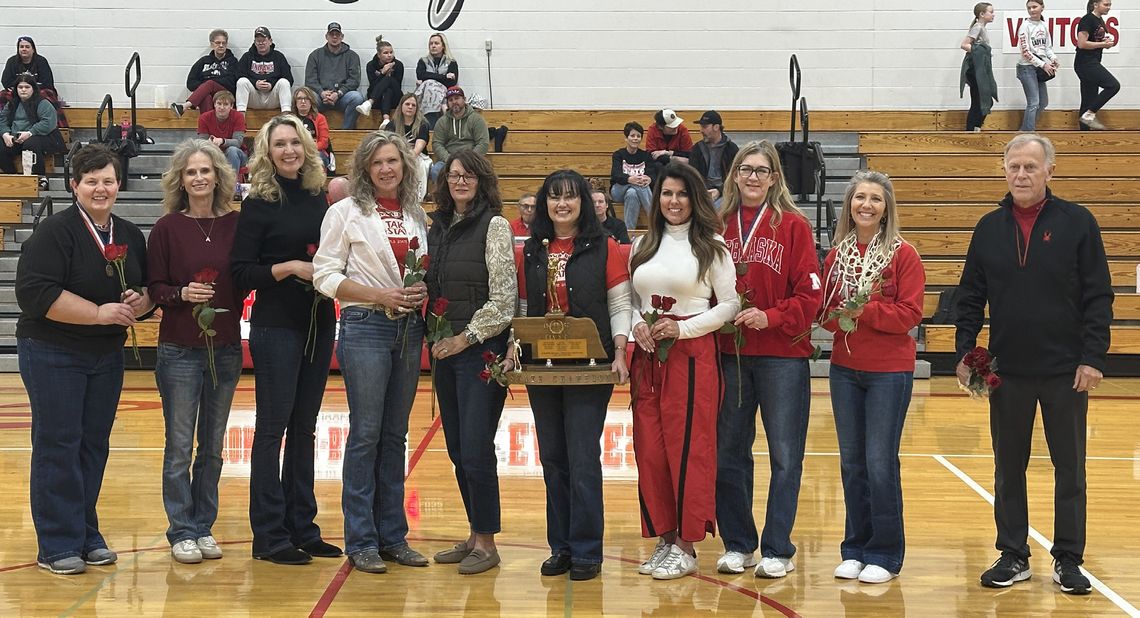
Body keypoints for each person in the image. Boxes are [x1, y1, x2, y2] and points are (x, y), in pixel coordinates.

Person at [956, 133, 1112, 596]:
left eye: (1030, 167)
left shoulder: (1078, 223)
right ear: (1004, 171)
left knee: (1070, 468)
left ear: (1049, 171)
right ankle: (1013, 554)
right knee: (1008, 467)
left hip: (1067, 370)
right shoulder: (988, 227)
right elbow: (969, 297)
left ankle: (1068, 558)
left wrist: (1093, 357)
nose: (1021, 175)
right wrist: (966, 351)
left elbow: (1098, 296)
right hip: (1007, 372)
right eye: (1013, 167)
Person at [15, 144, 153, 575]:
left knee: (93, 445)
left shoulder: (129, 234)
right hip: (53, 350)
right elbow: (35, 295)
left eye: (107, 180)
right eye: (91, 180)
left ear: (119, 185)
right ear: (74, 185)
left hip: (105, 353)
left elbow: (148, 292)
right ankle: (56, 543)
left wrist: (140, 300)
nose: (100, 188)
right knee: (59, 443)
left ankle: (85, 530)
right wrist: (97, 313)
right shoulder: (54, 232)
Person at [313, 132, 430, 574]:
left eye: (393, 161)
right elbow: (325, 275)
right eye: (377, 162)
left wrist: (419, 291)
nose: (386, 169)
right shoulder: (344, 212)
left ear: (405, 166)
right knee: (365, 434)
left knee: (395, 435)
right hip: (365, 325)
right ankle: (361, 539)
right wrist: (379, 295)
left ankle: (392, 536)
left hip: (408, 328)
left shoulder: (417, 215)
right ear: (364, 169)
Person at [231, 114, 341, 565]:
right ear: (267, 152)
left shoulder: (321, 196)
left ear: (307, 146)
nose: (289, 150)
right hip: (276, 325)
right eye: (279, 144)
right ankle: (270, 535)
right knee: (272, 429)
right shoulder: (259, 202)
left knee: (305, 428)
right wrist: (290, 268)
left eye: (295, 142)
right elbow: (240, 272)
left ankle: (303, 526)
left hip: (319, 321)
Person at [514, 169, 631, 581]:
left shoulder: (607, 248)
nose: (561, 204)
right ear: (544, 203)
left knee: (582, 458)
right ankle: (559, 546)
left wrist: (620, 351)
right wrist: (517, 351)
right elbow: (526, 308)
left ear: (583, 201)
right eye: (553, 197)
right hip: (541, 366)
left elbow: (619, 305)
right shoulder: (530, 251)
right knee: (552, 458)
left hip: (591, 367)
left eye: (570, 197)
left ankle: (586, 550)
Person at [714, 140, 822, 579]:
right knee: (729, 454)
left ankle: (778, 548)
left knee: (784, 456)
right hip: (730, 355)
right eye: (746, 169)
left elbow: (810, 295)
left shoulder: (794, 227)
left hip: (782, 357)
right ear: (735, 175)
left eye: (762, 170)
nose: (753, 177)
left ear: (775, 178)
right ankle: (738, 543)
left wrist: (772, 316)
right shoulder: (717, 224)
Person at [629, 162, 739, 580]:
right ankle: (665, 536)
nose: (673, 202)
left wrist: (683, 328)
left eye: (681, 194)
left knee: (688, 450)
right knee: (651, 452)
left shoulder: (712, 247)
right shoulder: (644, 243)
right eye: (666, 194)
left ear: (694, 198)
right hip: (647, 359)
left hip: (692, 359)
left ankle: (688, 545)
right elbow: (632, 299)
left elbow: (730, 306)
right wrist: (639, 322)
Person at [819, 171, 925, 584]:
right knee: (851, 462)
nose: (866, 205)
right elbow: (827, 317)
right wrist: (833, 314)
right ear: (849, 205)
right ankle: (855, 548)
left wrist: (865, 311)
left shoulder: (904, 255)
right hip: (845, 370)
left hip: (889, 372)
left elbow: (910, 316)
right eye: (859, 197)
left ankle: (885, 553)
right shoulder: (836, 256)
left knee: (879, 462)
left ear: (886, 208)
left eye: (875, 199)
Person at [148, 139, 243, 564]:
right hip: (179, 349)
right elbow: (155, 289)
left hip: (224, 347)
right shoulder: (167, 227)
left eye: (206, 170)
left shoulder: (236, 224)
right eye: (191, 172)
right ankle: (180, 529)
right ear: (180, 180)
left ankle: (204, 525)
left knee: (214, 445)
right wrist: (182, 293)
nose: (199, 178)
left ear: (219, 176)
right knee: (179, 445)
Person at [425, 150, 516, 575]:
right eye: (453, 175)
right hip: (445, 352)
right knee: (459, 448)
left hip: (480, 352)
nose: (459, 182)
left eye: (468, 176)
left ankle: (489, 541)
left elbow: (503, 300)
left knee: (477, 448)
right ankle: (474, 534)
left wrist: (465, 338)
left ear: (481, 181)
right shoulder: (438, 226)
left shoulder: (494, 226)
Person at [0, 73, 64, 182]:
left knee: (31, 143)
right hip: (16, 137)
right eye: (20, 87)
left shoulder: (43, 103)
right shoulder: (11, 104)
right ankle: (11, 176)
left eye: (27, 87)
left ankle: (40, 178)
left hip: (43, 137)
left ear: (33, 88)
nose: (23, 90)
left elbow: (48, 123)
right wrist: (5, 134)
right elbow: (2, 119)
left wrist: (30, 133)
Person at [305, 22, 365, 130]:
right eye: (331, 34)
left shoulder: (352, 56)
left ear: (342, 37)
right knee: (306, 98)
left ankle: (346, 132)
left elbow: (354, 80)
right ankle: (312, 132)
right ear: (326, 36)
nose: (334, 37)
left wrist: (338, 93)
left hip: (342, 96)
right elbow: (310, 80)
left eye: (337, 34)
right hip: (321, 97)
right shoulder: (315, 55)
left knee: (357, 98)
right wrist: (321, 92)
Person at [172, 29, 239, 118]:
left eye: (224, 43)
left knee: (210, 83)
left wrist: (209, 82)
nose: (221, 45)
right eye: (218, 43)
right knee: (205, 97)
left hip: (225, 94)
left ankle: (185, 106)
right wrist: (205, 88)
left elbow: (231, 82)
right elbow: (190, 83)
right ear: (212, 44)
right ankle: (210, 128)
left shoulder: (233, 61)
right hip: (208, 95)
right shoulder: (203, 61)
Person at [1075, 0, 1120, 130]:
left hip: (1092, 61)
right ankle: (1089, 115)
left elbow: (1094, 40)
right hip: (1085, 63)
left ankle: (1083, 137)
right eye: (1105, 4)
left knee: (1088, 99)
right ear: (1095, 4)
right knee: (1113, 86)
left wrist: (1105, 42)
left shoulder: (1100, 20)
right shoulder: (1087, 19)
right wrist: (1103, 44)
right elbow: (1082, 44)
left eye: (1110, 5)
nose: (1108, 7)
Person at [1016, 0, 1059, 132]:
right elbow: (1025, 51)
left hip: (1039, 67)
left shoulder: (1044, 25)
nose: (1032, 10)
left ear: (1042, 7)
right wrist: (1043, 64)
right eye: (1029, 8)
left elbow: (1047, 47)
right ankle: (1028, 132)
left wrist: (1053, 58)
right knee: (1033, 102)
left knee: (1043, 102)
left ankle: (1025, 129)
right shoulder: (1025, 26)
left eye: (1035, 7)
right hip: (1026, 68)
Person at [429, 87, 489, 182]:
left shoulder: (476, 119)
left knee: (485, 172)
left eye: (457, 98)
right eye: (450, 100)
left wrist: (468, 160)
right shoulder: (442, 122)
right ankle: (444, 197)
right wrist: (450, 160)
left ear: (464, 99)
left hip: (472, 160)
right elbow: (437, 144)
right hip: (448, 160)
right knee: (436, 170)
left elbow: (483, 143)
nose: (454, 102)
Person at [610, 121, 657, 231]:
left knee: (632, 194)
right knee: (640, 184)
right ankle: (655, 219)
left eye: (638, 136)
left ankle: (629, 232)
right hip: (618, 190)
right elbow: (616, 175)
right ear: (626, 138)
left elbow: (652, 175)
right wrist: (630, 179)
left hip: (635, 191)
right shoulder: (618, 154)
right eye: (632, 135)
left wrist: (649, 179)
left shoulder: (646, 155)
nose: (635, 138)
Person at [235, 27, 294, 114]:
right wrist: (255, 83)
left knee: (284, 82)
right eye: (258, 40)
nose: (261, 43)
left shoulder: (279, 57)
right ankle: (240, 118)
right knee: (241, 81)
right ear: (255, 42)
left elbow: (289, 79)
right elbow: (237, 76)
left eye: (263, 40)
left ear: (270, 41)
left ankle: (286, 117)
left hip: (272, 97)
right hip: (254, 97)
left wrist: (271, 84)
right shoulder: (247, 57)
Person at [689, 111, 739, 208]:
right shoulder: (697, 149)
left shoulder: (731, 149)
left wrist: (720, 191)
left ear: (716, 127)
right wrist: (704, 191)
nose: (701, 131)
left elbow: (735, 176)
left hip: (726, 192)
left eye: (704, 127)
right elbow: (693, 175)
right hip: (702, 192)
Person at [960, 3, 997, 132]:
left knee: (984, 101)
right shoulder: (977, 27)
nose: (993, 14)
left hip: (980, 68)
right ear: (982, 14)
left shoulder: (982, 28)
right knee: (978, 102)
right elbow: (964, 45)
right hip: (975, 69)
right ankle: (971, 130)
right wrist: (980, 54)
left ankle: (975, 128)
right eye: (991, 12)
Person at [356, 36, 404, 128]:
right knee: (387, 90)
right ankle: (386, 119)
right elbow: (373, 85)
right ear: (379, 55)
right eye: (385, 53)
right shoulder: (371, 65)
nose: (389, 55)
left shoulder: (398, 65)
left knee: (389, 81)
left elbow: (397, 85)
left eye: (391, 52)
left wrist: (386, 76)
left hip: (395, 98)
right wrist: (382, 73)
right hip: (377, 98)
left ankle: (369, 103)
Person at [389, 92, 431, 199]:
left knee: (420, 165)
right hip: (398, 154)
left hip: (418, 156)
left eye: (413, 105)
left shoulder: (423, 124)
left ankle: (418, 198)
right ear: (401, 106)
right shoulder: (392, 125)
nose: (410, 107)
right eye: (407, 104)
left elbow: (418, 148)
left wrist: (407, 159)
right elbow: (389, 146)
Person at [196, 90, 247, 175]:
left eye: (226, 104)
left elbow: (238, 142)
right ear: (214, 104)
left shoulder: (239, 117)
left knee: (232, 150)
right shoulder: (204, 118)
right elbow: (202, 143)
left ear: (231, 106)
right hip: (214, 153)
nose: (222, 107)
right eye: (219, 103)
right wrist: (209, 143)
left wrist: (222, 141)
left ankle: (231, 185)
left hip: (237, 154)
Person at [415, 32, 458, 128]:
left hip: (443, 92)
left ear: (443, 46)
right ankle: (439, 117)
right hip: (424, 93)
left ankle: (429, 125)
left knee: (431, 85)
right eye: (431, 43)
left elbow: (452, 82)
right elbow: (421, 75)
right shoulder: (423, 60)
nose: (433, 46)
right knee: (430, 85)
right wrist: (444, 77)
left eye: (436, 43)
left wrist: (430, 78)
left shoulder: (451, 62)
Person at [2, 36, 59, 108]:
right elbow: (6, 81)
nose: (24, 49)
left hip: (38, 90)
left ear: (33, 49)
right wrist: (21, 88)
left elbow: (47, 82)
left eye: (27, 47)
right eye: (21, 47)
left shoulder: (41, 61)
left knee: (48, 95)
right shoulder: (11, 61)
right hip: (18, 90)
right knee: (2, 96)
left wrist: (31, 89)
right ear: (18, 49)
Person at [290, 86, 333, 173]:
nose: (303, 101)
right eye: (299, 98)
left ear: (311, 102)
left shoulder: (320, 118)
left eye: (306, 98)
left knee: (318, 157)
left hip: (316, 150)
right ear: (295, 102)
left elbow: (324, 142)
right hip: (296, 150)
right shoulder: (290, 119)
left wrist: (309, 149)